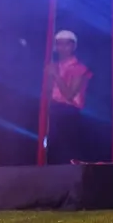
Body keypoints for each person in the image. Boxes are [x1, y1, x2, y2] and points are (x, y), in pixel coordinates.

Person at [45, 30, 92, 164]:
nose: (63, 48)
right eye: (59, 44)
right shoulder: (53, 66)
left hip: (69, 113)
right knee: (52, 151)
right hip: (53, 111)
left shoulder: (79, 68)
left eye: (67, 44)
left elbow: (69, 95)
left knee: (66, 153)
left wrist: (56, 75)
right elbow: (48, 91)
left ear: (73, 46)